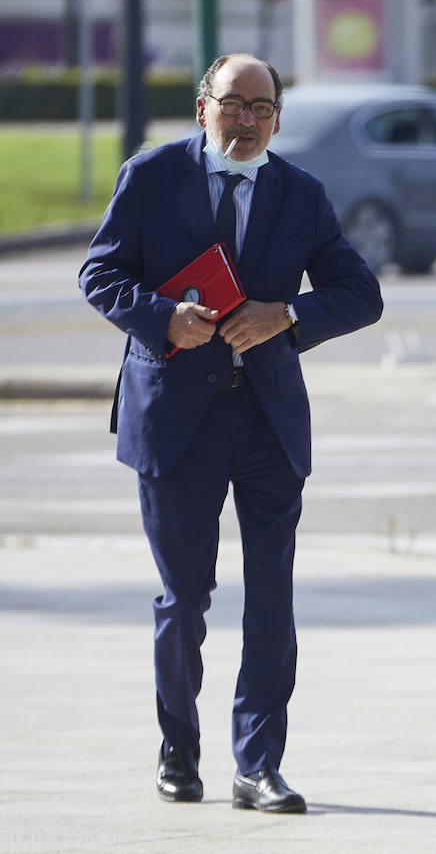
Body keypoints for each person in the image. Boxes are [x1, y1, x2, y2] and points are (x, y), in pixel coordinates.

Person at [79, 53, 383, 813]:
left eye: (263, 108)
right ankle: (178, 747)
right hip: (176, 421)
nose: (247, 121)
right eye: (234, 104)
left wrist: (287, 315)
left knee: (271, 599)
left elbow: (360, 293)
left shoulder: (300, 193)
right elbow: (100, 275)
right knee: (184, 598)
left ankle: (259, 764)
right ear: (201, 107)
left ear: (277, 119)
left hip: (267, 418)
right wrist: (163, 318)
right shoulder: (150, 178)